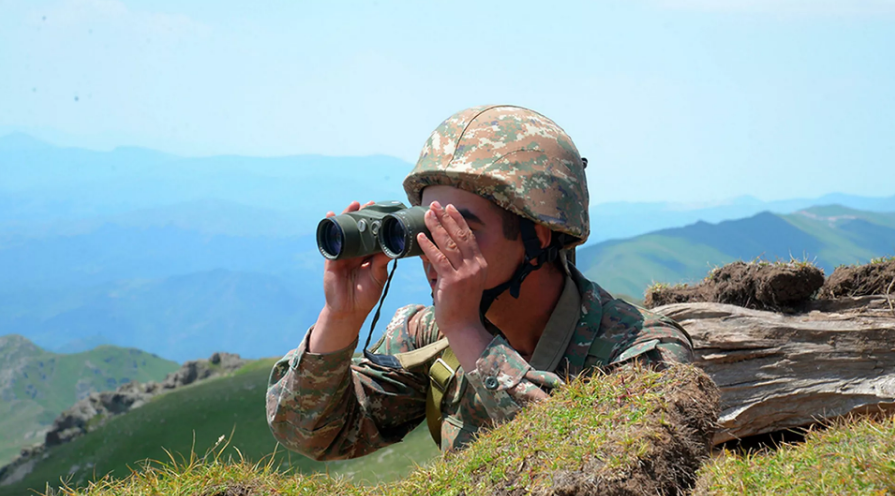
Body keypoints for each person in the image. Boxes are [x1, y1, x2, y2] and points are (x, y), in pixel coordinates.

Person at [266, 105, 694, 459]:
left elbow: (586, 465)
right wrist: (339, 319)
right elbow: (313, 433)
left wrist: (468, 333)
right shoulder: (427, 335)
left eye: (462, 230)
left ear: (537, 236)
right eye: (428, 228)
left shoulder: (642, 351)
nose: (439, 250)